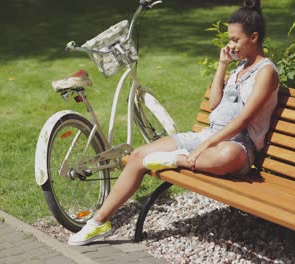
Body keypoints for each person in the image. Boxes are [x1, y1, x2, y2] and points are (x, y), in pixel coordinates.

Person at [68, 0, 279, 246]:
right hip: (209, 135)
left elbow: (244, 119)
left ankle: (177, 159)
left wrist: (202, 147)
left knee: (226, 155)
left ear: (254, 37)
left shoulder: (266, 72)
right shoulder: (239, 68)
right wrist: (222, 65)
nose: (230, 45)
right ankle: (98, 222)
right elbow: (214, 104)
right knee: (138, 156)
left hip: (238, 146)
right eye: (229, 39)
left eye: (235, 39)